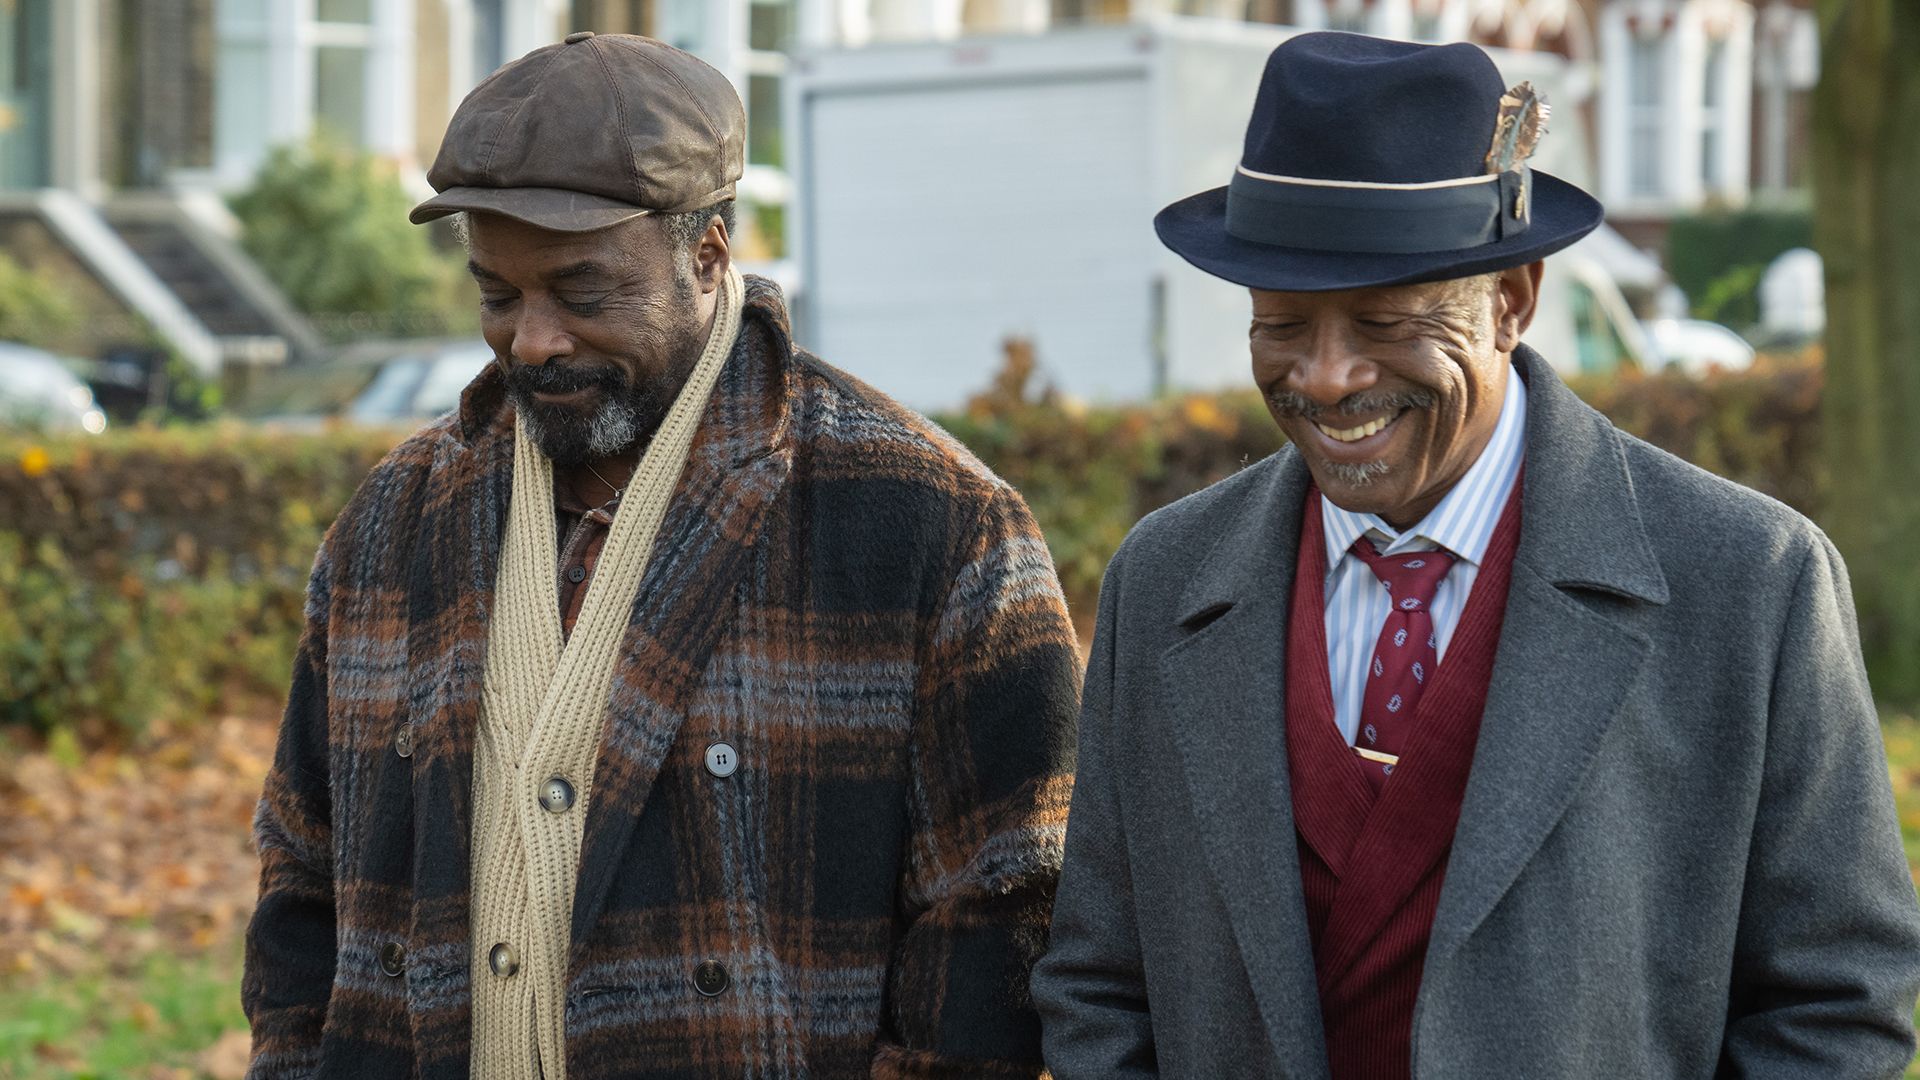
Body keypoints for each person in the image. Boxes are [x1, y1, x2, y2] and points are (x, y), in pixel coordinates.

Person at [1032, 31, 1920, 1079]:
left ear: (1513, 301)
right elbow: (1099, 984)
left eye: (1382, 321)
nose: (1323, 377)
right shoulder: (1164, 579)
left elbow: (1836, 1006)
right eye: (1281, 324)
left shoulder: (1753, 584)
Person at [242, 33, 1080, 1080]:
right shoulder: (390, 525)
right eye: (497, 294)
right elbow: (300, 878)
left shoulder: (932, 526)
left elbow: (1003, 922)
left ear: (710, 257)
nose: (533, 338)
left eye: (582, 293)